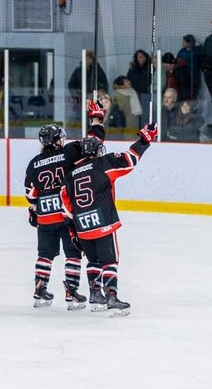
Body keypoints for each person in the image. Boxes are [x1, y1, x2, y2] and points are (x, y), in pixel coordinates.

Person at [61, 123, 158, 316]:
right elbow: (130, 159)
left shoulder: (70, 174)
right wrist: (145, 139)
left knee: (93, 261)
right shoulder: (103, 164)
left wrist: (73, 231)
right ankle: (111, 295)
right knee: (110, 261)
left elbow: (66, 205)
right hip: (103, 222)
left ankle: (95, 294)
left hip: (82, 226)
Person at [24, 124, 88, 309]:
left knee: (45, 254)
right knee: (73, 254)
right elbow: (90, 145)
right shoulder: (68, 153)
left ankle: (40, 290)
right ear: (56, 140)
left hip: (45, 216)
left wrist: (35, 208)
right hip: (66, 215)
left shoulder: (34, 162)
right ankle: (71, 293)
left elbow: (30, 194)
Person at [176, 34, 202, 102]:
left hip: (193, 78)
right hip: (183, 78)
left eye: (184, 42)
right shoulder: (181, 51)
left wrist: (198, 47)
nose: (183, 43)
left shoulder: (195, 51)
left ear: (189, 43)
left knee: (193, 95)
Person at [127, 49, 152, 116]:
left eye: (143, 56)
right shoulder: (132, 69)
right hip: (135, 95)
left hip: (146, 95)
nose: (142, 58)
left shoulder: (149, 68)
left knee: (145, 113)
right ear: (136, 58)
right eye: (140, 57)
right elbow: (128, 80)